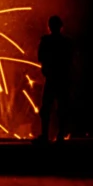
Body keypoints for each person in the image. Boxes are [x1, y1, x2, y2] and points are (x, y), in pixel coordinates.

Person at [35, 15, 73, 143]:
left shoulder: (46, 40)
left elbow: (40, 57)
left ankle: (47, 135)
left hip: (53, 78)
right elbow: (70, 60)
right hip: (61, 78)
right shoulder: (66, 42)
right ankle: (60, 134)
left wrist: (47, 68)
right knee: (60, 107)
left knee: (47, 107)